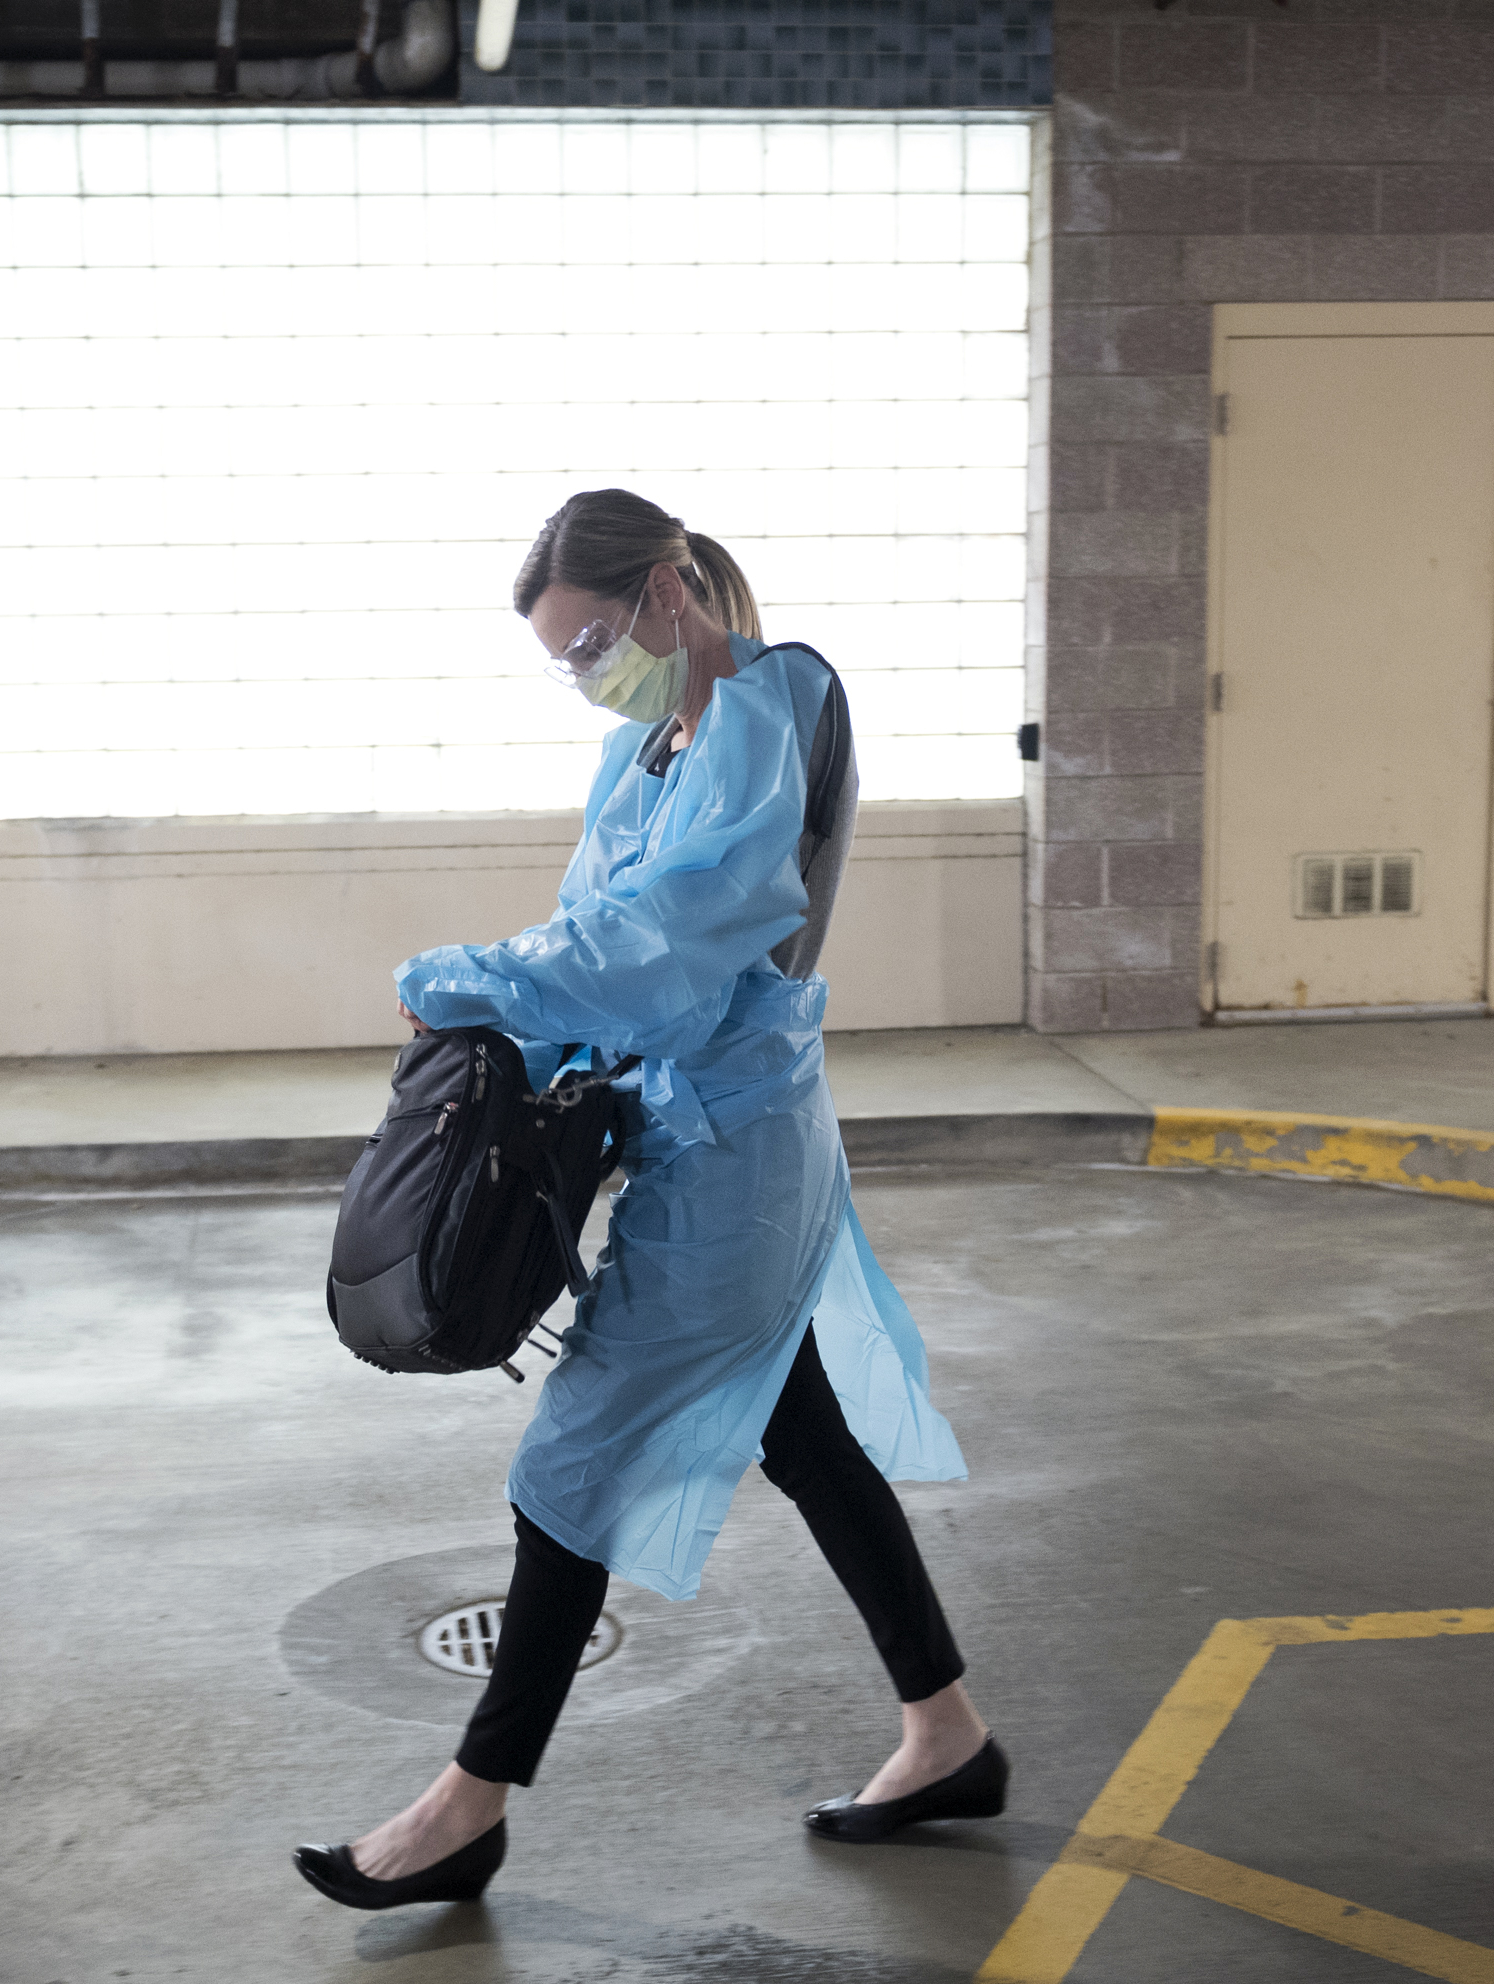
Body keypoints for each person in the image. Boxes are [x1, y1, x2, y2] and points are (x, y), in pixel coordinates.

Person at [293, 490, 1003, 1912]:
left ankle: (467, 1805)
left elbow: (672, 933)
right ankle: (949, 1732)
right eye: (564, 660)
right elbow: (589, 938)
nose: (585, 677)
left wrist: (480, 976)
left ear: (673, 586)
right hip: (686, 1139)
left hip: (740, 1159)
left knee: (573, 1459)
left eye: (593, 641)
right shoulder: (645, 746)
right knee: (803, 1436)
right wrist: (507, 1029)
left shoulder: (773, 700)